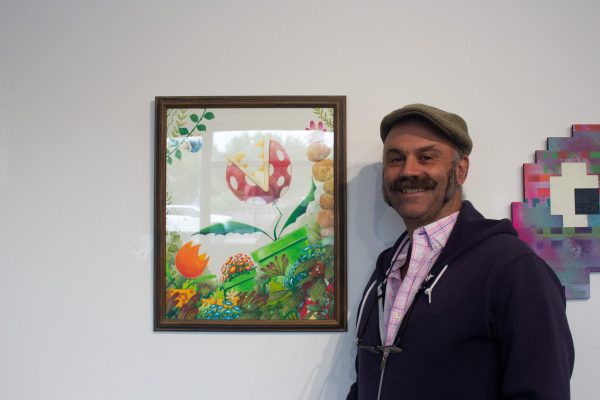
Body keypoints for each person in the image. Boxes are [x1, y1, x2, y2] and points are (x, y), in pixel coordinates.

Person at [347, 104, 574, 400]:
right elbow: (367, 381)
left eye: (426, 157)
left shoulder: (512, 267)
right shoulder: (388, 268)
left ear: (460, 169)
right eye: (395, 159)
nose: (408, 171)